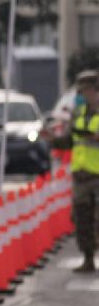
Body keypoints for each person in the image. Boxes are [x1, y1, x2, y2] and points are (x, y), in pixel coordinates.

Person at [44, 70, 99, 273]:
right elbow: (69, 140)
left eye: (87, 91)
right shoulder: (78, 113)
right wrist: (53, 139)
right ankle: (88, 257)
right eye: (81, 91)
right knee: (81, 216)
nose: (84, 95)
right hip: (82, 173)